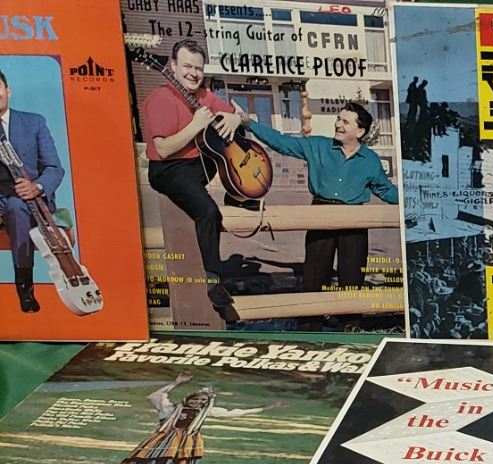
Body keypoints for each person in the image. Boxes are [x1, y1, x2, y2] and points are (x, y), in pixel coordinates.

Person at [244, 101, 397, 296]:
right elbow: (282, 143)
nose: (338, 124)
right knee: (314, 278)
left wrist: (410, 205)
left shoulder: (370, 160)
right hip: (320, 214)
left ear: (359, 131)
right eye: (338, 119)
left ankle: (350, 317)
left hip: (355, 220)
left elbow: (386, 190)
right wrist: (249, 123)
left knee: (352, 281)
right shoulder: (318, 146)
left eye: (345, 122)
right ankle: (311, 315)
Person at [139, 40, 244, 289]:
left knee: (229, 144)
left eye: (198, 68)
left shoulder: (204, 96)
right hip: (169, 169)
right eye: (187, 66)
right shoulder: (160, 98)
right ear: (173, 66)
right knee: (207, 211)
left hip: (198, 164)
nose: (193, 74)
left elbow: (242, 115)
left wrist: (236, 118)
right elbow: (163, 149)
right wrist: (196, 125)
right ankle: (214, 281)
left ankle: (240, 193)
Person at [112, 373, 285, 464]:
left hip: (178, 445)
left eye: (203, 400)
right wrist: (176, 383)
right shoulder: (170, 409)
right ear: (188, 398)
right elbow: (154, 396)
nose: (198, 402)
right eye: (195, 399)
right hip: (161, 443)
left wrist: (265, 408)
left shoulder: (203, 413)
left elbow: (233, 412)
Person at [0, 68, 64, 313]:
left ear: (8, 91)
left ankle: (24, 288)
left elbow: (54, 168)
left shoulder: (34, 122)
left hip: (28, 198)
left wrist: (37, 187)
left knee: (17, 207)